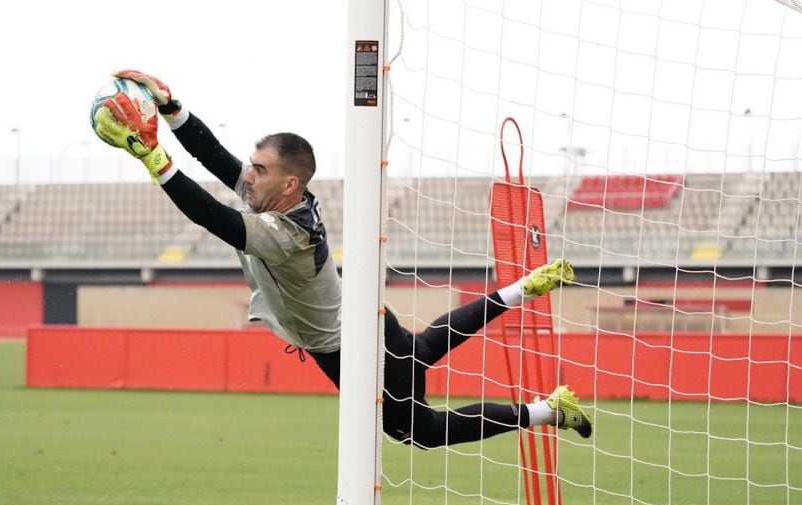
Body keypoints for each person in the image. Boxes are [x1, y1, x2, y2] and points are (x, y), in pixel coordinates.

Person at [92, 69, 593, 448]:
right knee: (426, 348)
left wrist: (152, 154)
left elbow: (211, 217)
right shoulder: (283, 198)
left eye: (259, 169)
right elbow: (216, 158)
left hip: (353, 349)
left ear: (288, 183)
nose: (249, 175)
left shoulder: (283, 233)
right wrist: (172, 107)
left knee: (419, 432)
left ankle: (546, 409)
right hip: (365, 323)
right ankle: (525, 291)